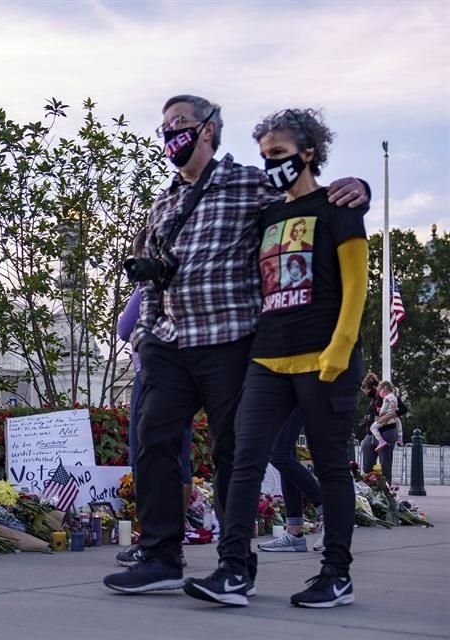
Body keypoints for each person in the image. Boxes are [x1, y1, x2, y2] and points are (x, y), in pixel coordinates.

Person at [102, 96, 368, 595]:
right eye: (163, 126)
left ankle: (241, 563)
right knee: (155, 442)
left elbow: (311, 200)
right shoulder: (163, 203)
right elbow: (149, 279)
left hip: (231, 341)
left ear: (209, 129)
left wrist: (360, 186)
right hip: (171, 343)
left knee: (234, 455)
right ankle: (161, 557)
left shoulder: (250, 182)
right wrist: (144, 335)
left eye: (179, 123)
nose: (170, 133)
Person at [184, 108, 368, 608]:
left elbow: (357, 284)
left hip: (325, 356)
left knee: (331, 467)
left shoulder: (338, 207)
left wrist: (341, 346)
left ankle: (336, 575)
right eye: (265, 157)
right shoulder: (267, 213)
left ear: (308, 153)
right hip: (268, 357)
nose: (272, 165)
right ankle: (234, 570)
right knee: (243, 461)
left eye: (281, 155)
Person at [116, 229, 195, 568]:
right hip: (184, 374)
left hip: (152, 376)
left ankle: (156, 541)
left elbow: (125, 328)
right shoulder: (184, 279)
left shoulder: (151, 285)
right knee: (179, 459)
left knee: (147, 456)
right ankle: (172, 542)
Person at [257, 409, 325, 553]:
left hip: (296, 392)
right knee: (286, 455)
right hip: (280, 395)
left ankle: (330, 516)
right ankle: (294, 533)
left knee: (280, 455)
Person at [359, 373, 406, 483]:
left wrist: (390, 415)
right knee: (366, 465)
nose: (366, 393)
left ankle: (386, 491)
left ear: (374, 388)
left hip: (386, 432)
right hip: (371, 434)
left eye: (367, 390)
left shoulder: (388, 396)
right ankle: (370, 487)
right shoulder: (372, 400)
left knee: (385, 465)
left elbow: (403, 409)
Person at [369, 380, 403, 451]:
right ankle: (400, 438)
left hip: (386, 418)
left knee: (373, 427)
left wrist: (380, 412)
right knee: (399, 425)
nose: (380, 392)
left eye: (380, 390)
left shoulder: (386, 398)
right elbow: (394, 407)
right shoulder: (394, 396)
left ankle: (381, 441)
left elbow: (383, 411)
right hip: (394, 416)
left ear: (385, 388)